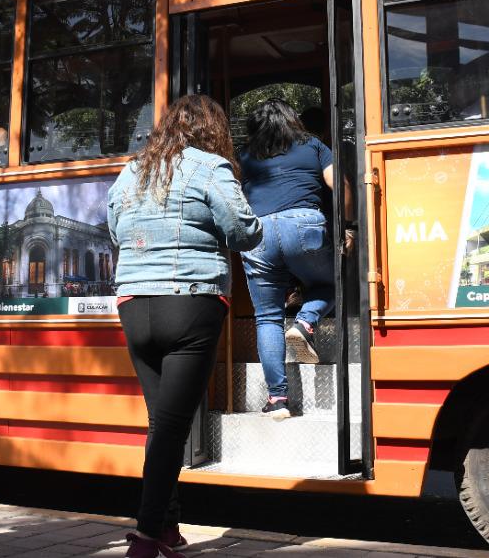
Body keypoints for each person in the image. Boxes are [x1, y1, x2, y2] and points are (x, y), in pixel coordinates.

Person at [107, 95, 261, 558]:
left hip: (134, 305)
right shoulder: (210, 166)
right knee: (172, 429)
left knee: (163, 425)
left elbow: (114, 229)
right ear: (212, 130)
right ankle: (148, 536)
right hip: (190, 303)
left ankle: (168, 529)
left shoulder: (132, 170)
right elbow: (240, 229)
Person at [238, 99, 336, 421]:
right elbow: (340, 186)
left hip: (259, 234)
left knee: (267, 316)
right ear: (293, 119)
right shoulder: (313, 145)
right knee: (332, 281)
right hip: (304, 226)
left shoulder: (246, 156)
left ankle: (277, 400)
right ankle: (306, 321)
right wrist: (349, 226)